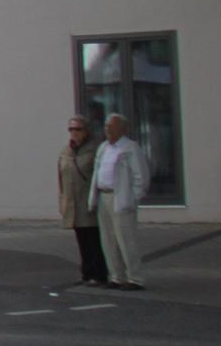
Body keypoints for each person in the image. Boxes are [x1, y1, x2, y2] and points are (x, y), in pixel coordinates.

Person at [92, 112, 152, 291]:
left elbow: (141, 176)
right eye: (106, 126)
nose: (108, 130)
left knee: (126, 240)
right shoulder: (103, 148)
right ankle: (117, 276)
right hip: (104, 196)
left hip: (121, 198)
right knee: (108, 240)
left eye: (112, 126)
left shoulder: (130, 148)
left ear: (122, 128)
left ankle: (135, 278)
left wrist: (134, 197)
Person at [57, 115, 109, 287]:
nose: (74, 132)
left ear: (86, 131)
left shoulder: (95, 150)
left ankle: (100, 274)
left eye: (78, 129)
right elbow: (61, 178)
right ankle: (86, 272)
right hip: (73, 204)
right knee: (82, 240)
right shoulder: (66, 151)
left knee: (94, 240)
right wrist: (62, 202)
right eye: (71, 129)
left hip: (88, 202)